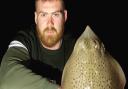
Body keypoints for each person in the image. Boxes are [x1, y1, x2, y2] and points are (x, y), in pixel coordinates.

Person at [0, 0, 76, 89]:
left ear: (65, 16)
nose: (50, 23)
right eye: (43, 15)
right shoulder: (25, 41)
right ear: (36, 17)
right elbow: (7, 79)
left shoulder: (78, 48)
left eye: (55, 14)